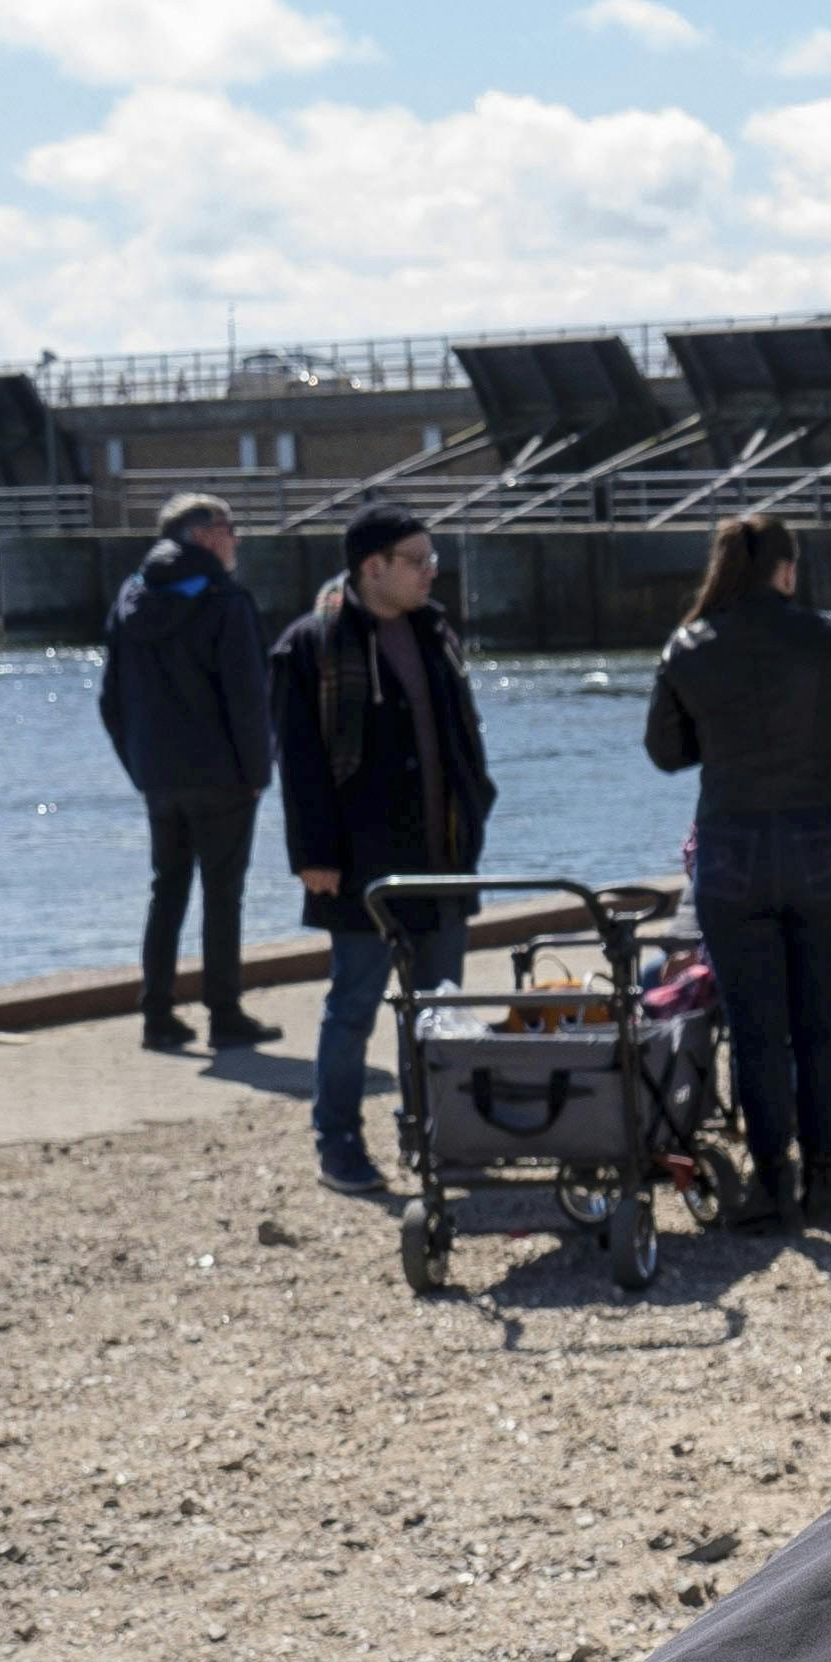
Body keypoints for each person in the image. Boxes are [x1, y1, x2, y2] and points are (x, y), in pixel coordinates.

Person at [646, 513, 831, 1227]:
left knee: (756, 1027)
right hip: (823, 846)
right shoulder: (826, 635)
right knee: (820, 1021)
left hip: (733, 853)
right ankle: (825, 1177)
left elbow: (666, 753)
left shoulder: (688, 645)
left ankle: (771, 1184)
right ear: (787, 569)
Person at [271, 508, 495, 1196]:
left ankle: (438, 1133)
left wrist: (478, 805)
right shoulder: (311, 644)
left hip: (442, 854)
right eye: (418, 560)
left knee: (442, 1004)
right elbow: (300, 761)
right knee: (354, 1004)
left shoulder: (434, 634)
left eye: (432, 559)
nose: (433, 571)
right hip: (361, 862)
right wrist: (313, 855)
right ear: (374, 567)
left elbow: (461, 738)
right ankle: (338, 1141)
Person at [99, 492, 281, 1054]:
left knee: (167, 889)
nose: (236, 540)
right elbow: (248, 699)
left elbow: (110, 700)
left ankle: (158, 1017)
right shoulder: (225, 600)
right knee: (222, 895)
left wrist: (140, 767)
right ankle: (224, 1016)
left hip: (160, 776)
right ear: (203, 535)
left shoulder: (131, 598)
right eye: (230, 528)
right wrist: (258, 772)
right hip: (224, 775)